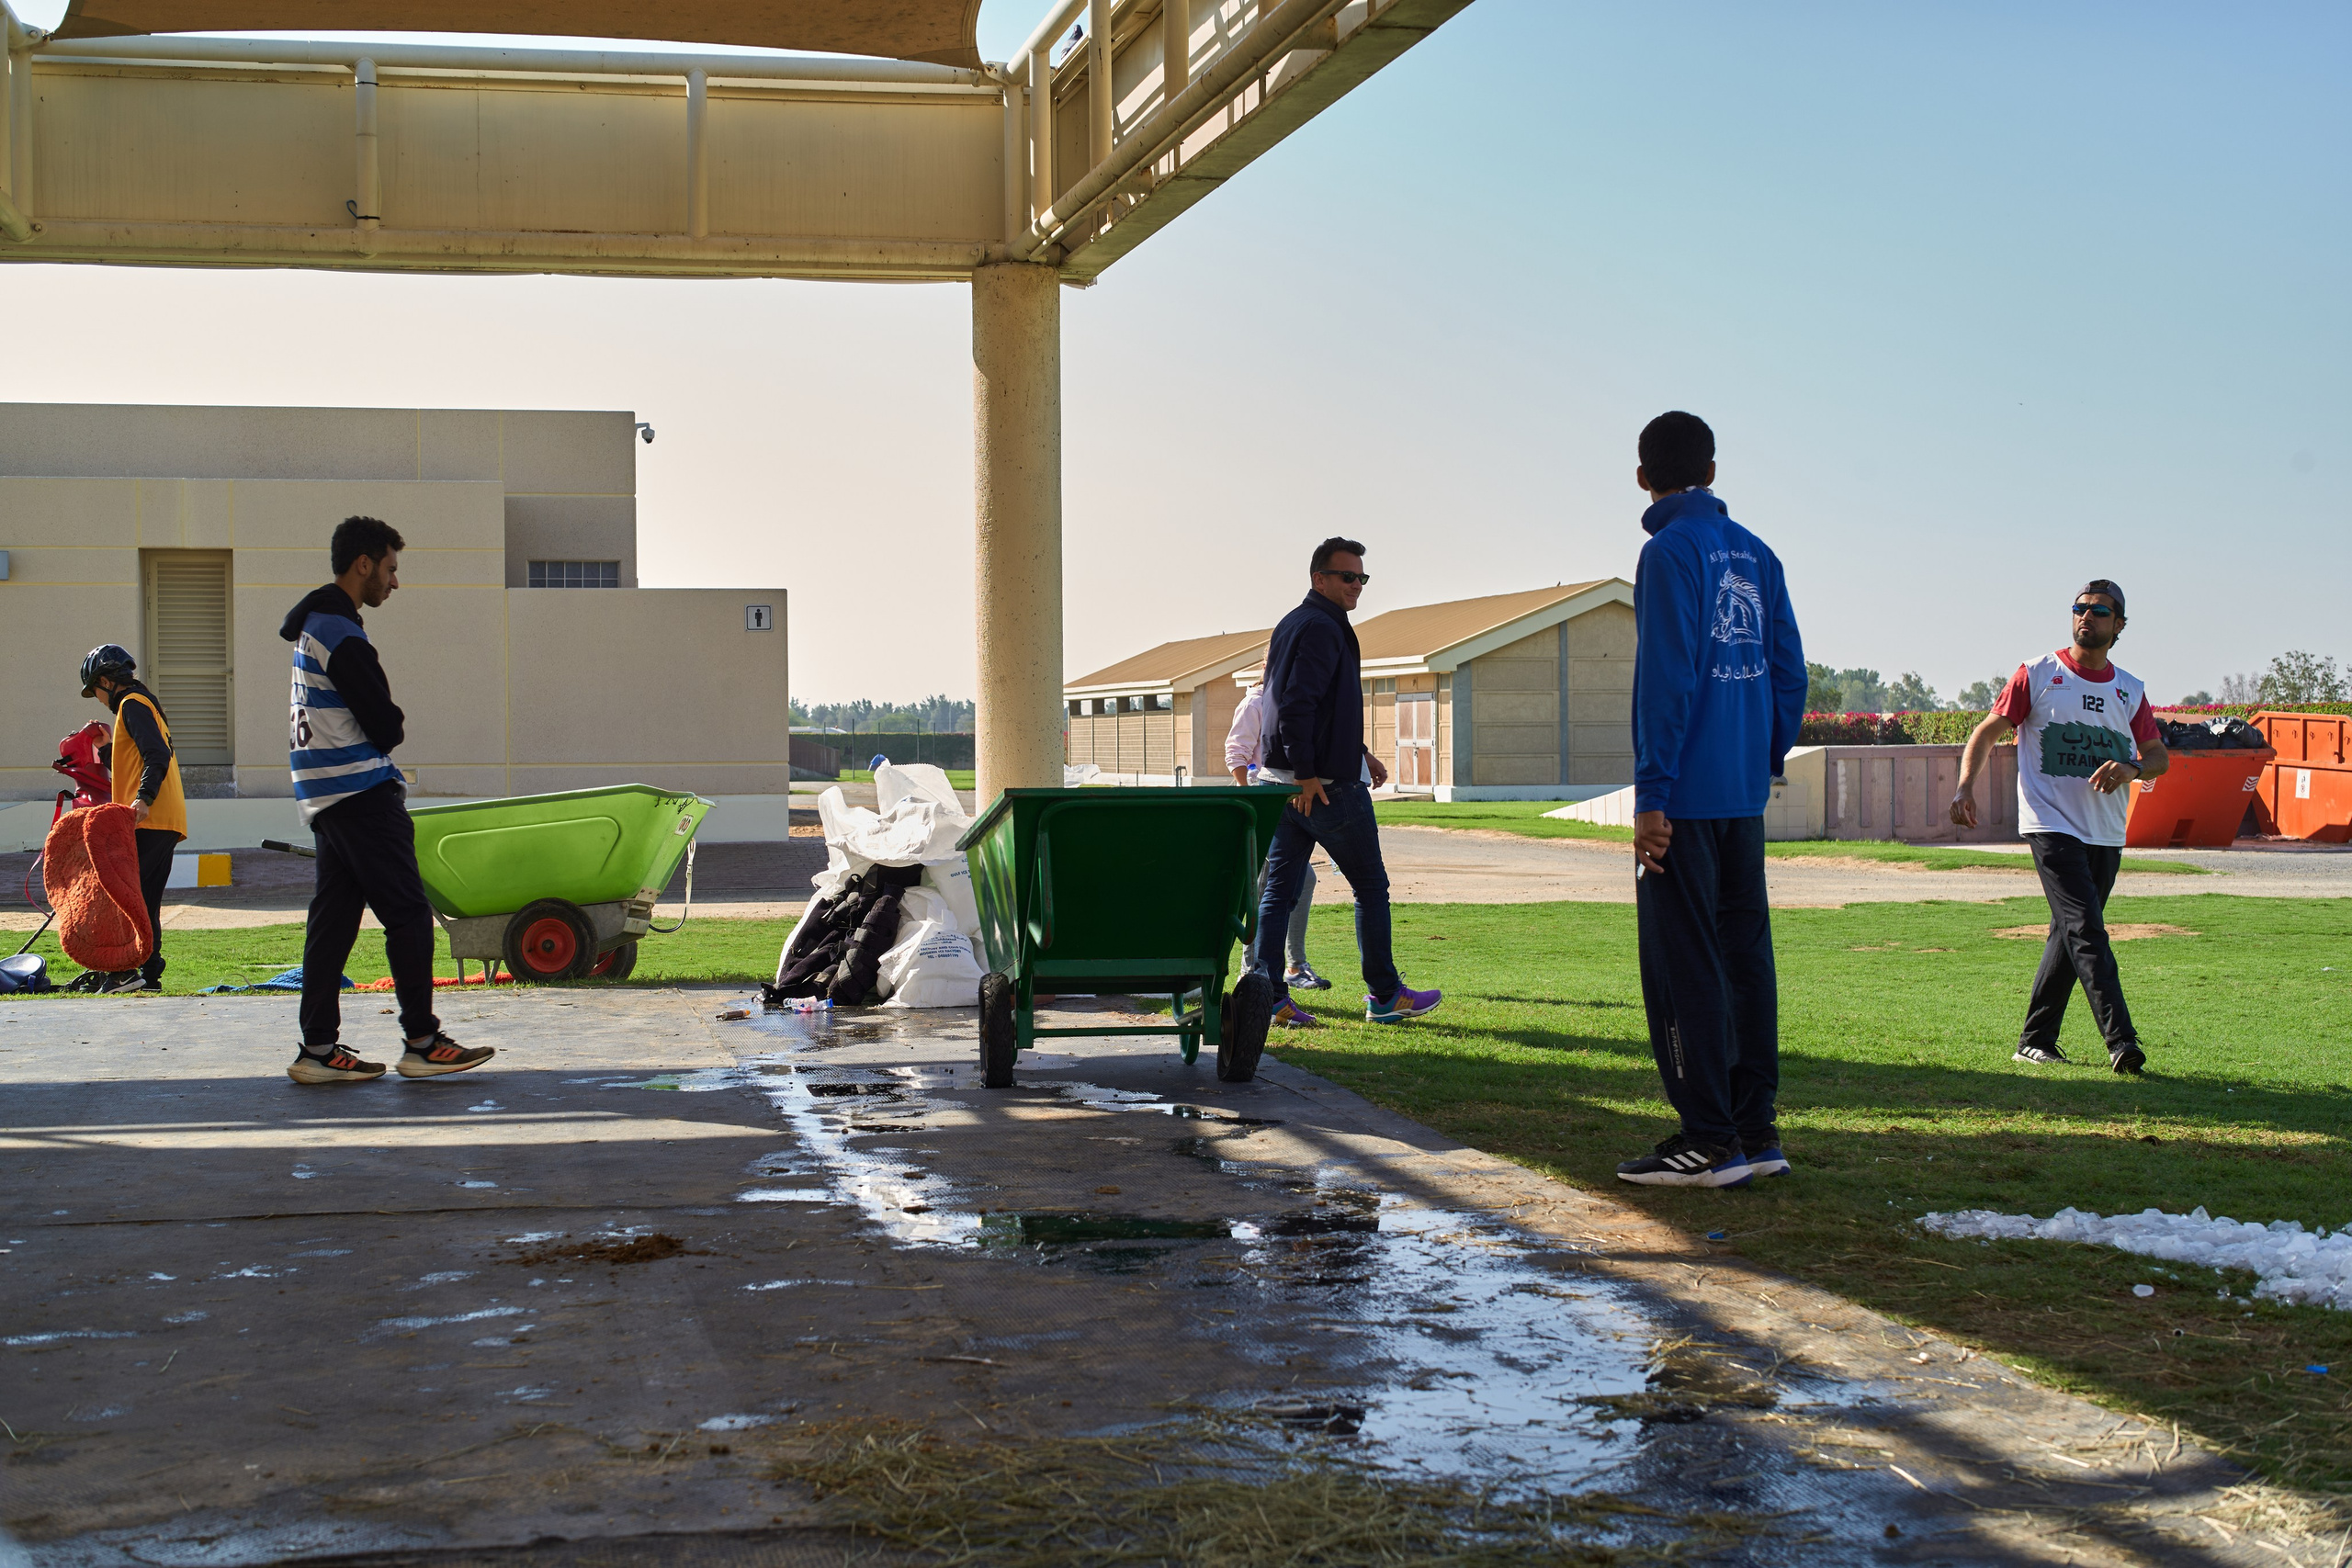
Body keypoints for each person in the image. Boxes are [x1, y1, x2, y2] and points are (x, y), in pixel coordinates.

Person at [1618, 412, 1806, 1190]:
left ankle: (1707, 1138)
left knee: (1681, 962)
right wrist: (1760, 755)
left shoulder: (1667, 551)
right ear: (1714, 470)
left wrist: (1653, 793)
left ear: (1641, 478)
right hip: (1739, 794)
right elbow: (1789, 671)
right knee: (1744, 958)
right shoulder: (1758, 551)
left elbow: (1669, 676)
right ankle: (1755, 1128)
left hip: (1685, 799)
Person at [280, 515, 493, 1085]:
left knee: (332, 925)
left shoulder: (313, 627)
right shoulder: (343, 635)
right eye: (391, 569)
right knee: (407, 915)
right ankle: (422, 1042)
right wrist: (391, 720)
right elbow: (387, 726)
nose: (395, 583)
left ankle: (318, 1051)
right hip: (362, 792)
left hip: (325, 800)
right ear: (364, 564)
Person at [1951, 581, 2166, 1075]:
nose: (2086, 617)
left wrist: (2132, 768)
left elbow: (2158, 757)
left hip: (2106, 832)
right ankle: (2122, 1042)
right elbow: (1987, 731)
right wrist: (1965, 786)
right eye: (2079, 608)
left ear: (2119, 626)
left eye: (2100, 611)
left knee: (2068, 932)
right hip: (2050, 825)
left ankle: (2035, 1039)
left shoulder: (2129, 689)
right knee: (2087, 930)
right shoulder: (2039, 674)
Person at [1251, 537, 1441, 1026]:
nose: (1357, 585)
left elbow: (1318, 706)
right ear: (1321, 579)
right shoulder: (1322, 627)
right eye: (1347, 577)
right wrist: (1312, 774)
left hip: (1279, 781)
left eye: (1362, 577)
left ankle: (1267, 998)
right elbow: (1295, 706)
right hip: (1321, 786)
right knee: (1371, 886)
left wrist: (1359, 753)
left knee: (1279, 892)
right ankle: (1384, 995)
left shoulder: (1295, 622)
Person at [78, 644, 187, 993]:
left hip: (147, 818)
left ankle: (124, 973)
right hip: (166, 819)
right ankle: (147, 975)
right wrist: (108, 747)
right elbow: (136, 762)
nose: (96, 698)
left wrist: (143, 798)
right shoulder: (143, 705)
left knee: (123, 897)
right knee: (145, 899)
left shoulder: (131, 705)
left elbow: (156, 755)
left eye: (94, 689)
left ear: (107, 682)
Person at [1225, 682, 1329, 1000]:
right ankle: (1255, 971)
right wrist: (1255, 797)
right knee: (1269, 884)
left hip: (1287, 805)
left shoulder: (1291, 701)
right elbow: (1236, 753)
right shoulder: (1254, 704)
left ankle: (1292, 966)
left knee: (1301, 879)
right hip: (1265, 807)